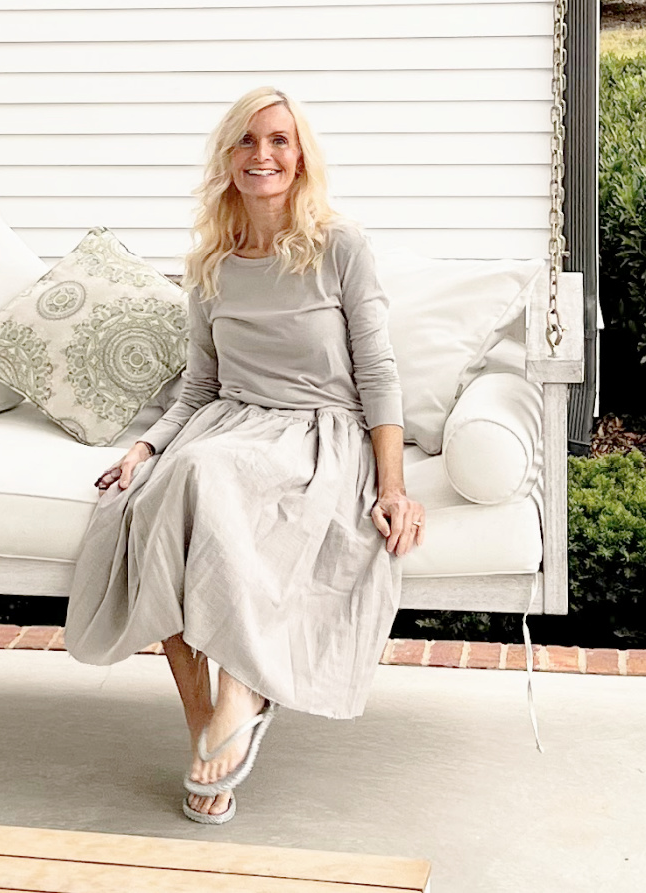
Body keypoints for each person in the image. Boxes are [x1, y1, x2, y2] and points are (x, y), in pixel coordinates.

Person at [64, 86, 426, 825]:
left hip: (318, 434)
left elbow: (379, 375)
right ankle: (206, 717)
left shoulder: (341, 248)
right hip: (226, 425)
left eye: (280, 141)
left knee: (200, 475)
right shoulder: (211, 266)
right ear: (228, 159)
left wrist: (393, 485)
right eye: (248, 142)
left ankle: (243, 688)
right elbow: (197, 386)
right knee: (156, 496)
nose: (264, 155)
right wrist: (143, 446)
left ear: (301, 156)